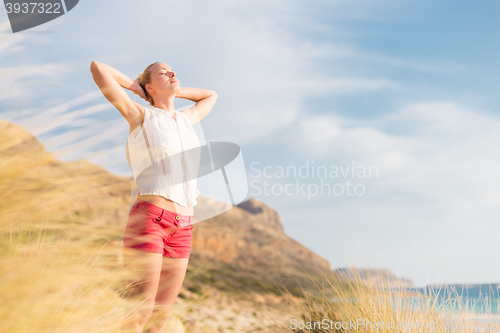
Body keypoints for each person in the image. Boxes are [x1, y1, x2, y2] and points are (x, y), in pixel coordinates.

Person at [90, 60, 217, 333]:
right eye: (164, 72)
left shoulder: (186, 119)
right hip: (150, 220)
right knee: (139, 313)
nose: (172, 73)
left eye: (174, 71)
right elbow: (98, 68)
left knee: (159, 320)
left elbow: (211, 95)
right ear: (150, 85)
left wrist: (173, 90)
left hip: (183, 227)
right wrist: (137, 89)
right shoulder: (140, 115)